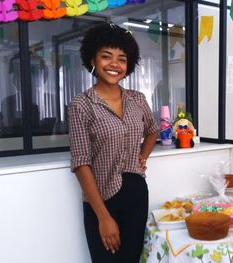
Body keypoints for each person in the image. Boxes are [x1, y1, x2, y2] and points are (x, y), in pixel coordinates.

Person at [68, 22, 159, 263]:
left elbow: (153, 130)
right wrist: (103, 217)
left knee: (131, 259)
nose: (114, 64)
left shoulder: (137, 99)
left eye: (122, 59)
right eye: (106, 56)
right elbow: (80, 162)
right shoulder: (81, 105)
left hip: (136, 193)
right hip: (101, 199)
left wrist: (142, 157)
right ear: (93, 60)